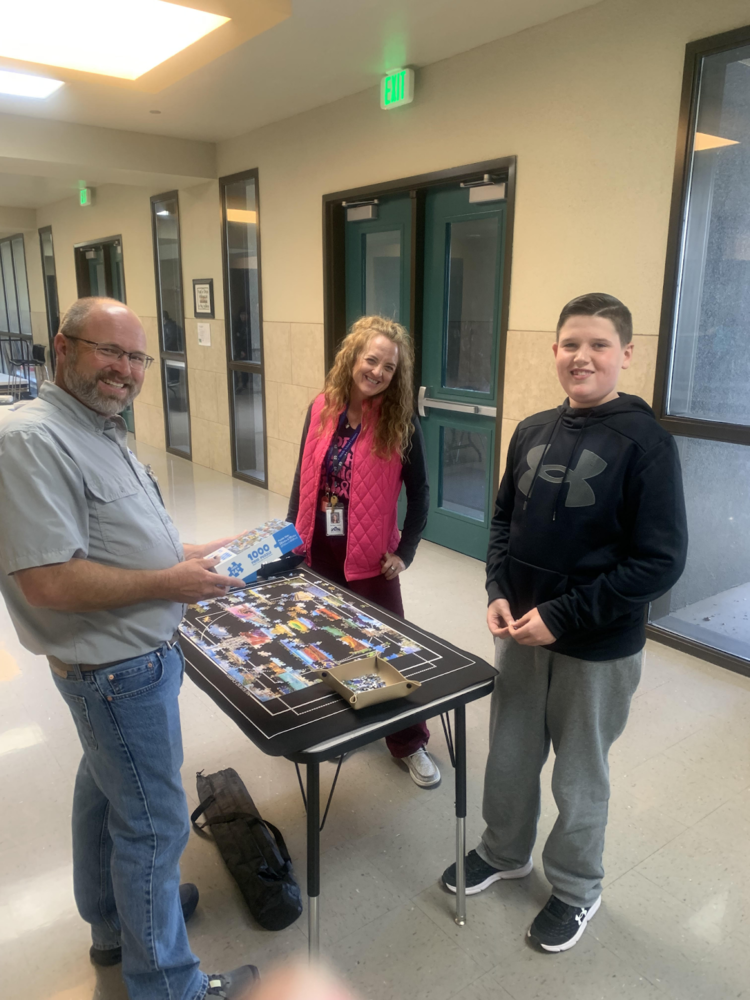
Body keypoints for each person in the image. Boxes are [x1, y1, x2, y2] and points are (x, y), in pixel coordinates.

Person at [0, 297, 260, 1000]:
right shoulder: (31, 439)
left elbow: (129, 540)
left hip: (126, 665)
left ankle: (115, 926)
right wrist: (171, 580)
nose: (125, 370)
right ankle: (169, 986)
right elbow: (48, 580)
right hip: (115, 671)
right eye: (107, 351)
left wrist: (207, 555)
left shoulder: (100, 428)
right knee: (154, 827)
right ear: (62, 347)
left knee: (103, 793)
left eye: (136, 357)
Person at [442, 292, 688, 952]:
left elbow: (659, 562)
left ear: (626, 355)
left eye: (599, 344)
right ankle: (504, 851)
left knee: (580, 775)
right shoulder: (530, 430)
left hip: (597, 648)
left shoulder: (648, 445)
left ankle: (578, 887)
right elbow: (501, 522)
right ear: (554, 350)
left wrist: (565, 615)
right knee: (512, 755)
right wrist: (498, 588)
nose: (583, 356)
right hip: (521, 634)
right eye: (571, 343)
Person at [287, 315, 437, 787]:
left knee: (387, 651)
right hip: (318, 550)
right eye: (371, 359)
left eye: (388, 367)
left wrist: (405, 552)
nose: (377, 371)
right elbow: (301, 480)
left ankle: (408, 743)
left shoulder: (399, 420)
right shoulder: (320, 407)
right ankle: (343, 730)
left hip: (370, 559)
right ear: (352, 356)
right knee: (328, 644)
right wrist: (291, 538)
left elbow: (421, 491)